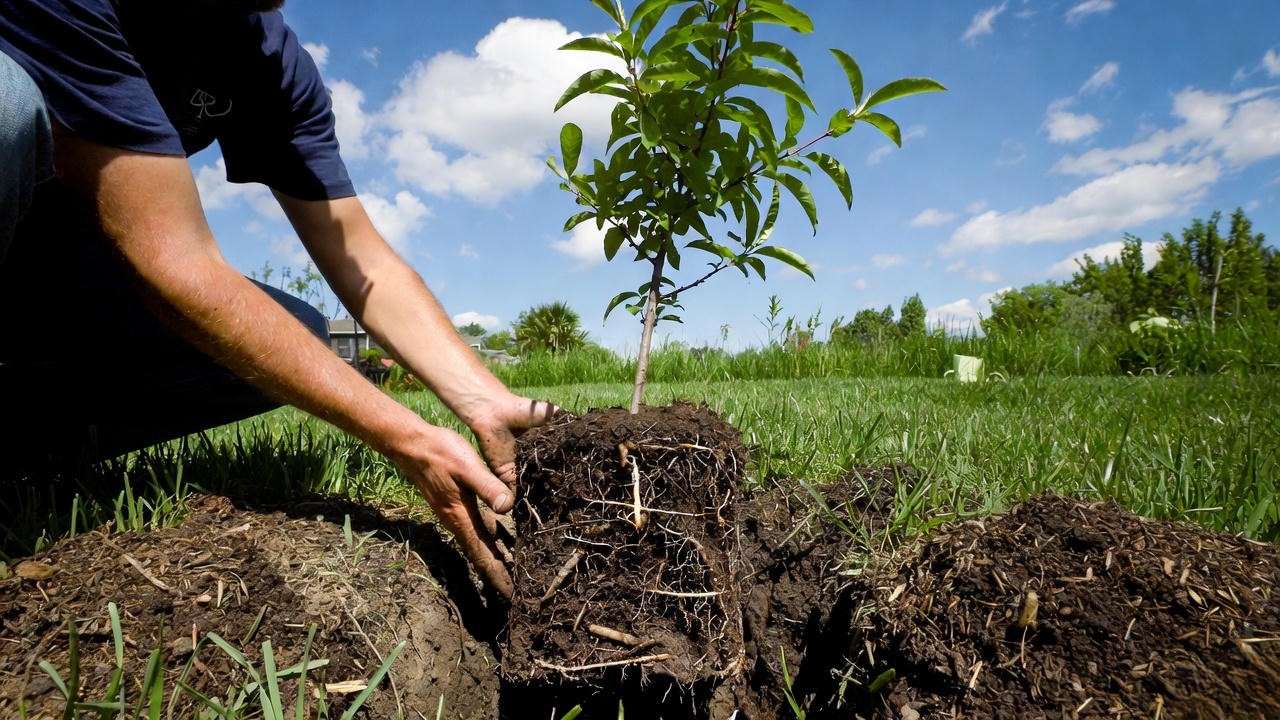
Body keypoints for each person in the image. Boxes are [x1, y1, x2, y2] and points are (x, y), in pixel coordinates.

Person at [0, 0, 553, 597]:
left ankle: (25, 454)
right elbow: (175, 260)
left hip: (68, 285)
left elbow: (360, 258)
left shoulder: (273, 61)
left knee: (300, 337)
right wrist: (408, 437)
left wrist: (484, 399)